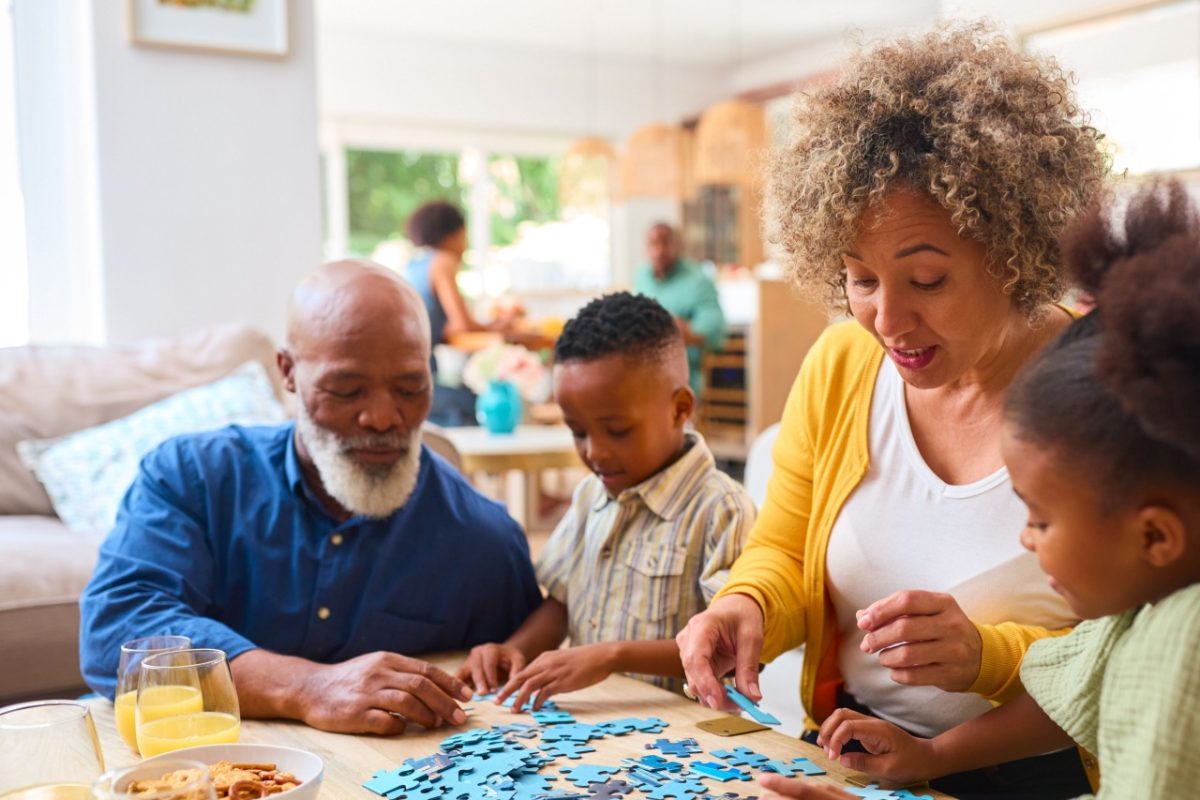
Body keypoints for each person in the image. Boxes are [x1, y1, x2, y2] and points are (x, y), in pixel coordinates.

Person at [675, 24, 1108, 799]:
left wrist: (986, 656)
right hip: (848, 752)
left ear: (1014, 251)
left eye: (928, 280)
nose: (886, 321)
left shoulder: (1107, 389)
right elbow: (782, 546)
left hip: (1038, 778)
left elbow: (1132, 652)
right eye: (860, 278)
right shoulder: (843, 365)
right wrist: (746, 604)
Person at [796, 182, 1200, 799]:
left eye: (1039, 518)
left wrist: (982, 657)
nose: (1025, 537)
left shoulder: (1182, 653)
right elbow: (1069, 695)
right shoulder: (1137, 622)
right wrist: (929, 755)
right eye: (860, 278)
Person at [79, 260, 542, 735]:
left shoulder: (483, 540)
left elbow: (526, 682)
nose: (383, 417)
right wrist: (304, 687)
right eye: (347, 389)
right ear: (288, 371)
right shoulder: (190, 478)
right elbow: (115, 632)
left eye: (410, 387)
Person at [456, 293, 754, 707]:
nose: (594, 452)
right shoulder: (589, 496)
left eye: (617, 430)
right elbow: (561, 601)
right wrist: (515, 649)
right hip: (597, 730)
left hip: (687, 742)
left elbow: (732, 645)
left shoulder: (722, 509)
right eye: (578, 431)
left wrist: (612, 656)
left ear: (680, 408)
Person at [403, 201, 520, 426]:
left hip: (409, 376)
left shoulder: (415, 264)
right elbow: (462, 323)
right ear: (453, 235)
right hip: (421, 383)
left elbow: (447, 326)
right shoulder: (442, 262)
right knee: (479, 402)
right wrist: (499, 326)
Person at [633, 223, 726, 398]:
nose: (659, 251)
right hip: (641, 367)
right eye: (653, 244)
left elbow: (715, 331)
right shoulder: (642, 276)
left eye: (665, 243)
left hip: (682, 373)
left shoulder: (698, 281)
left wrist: (678, 331)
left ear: (678, 245)